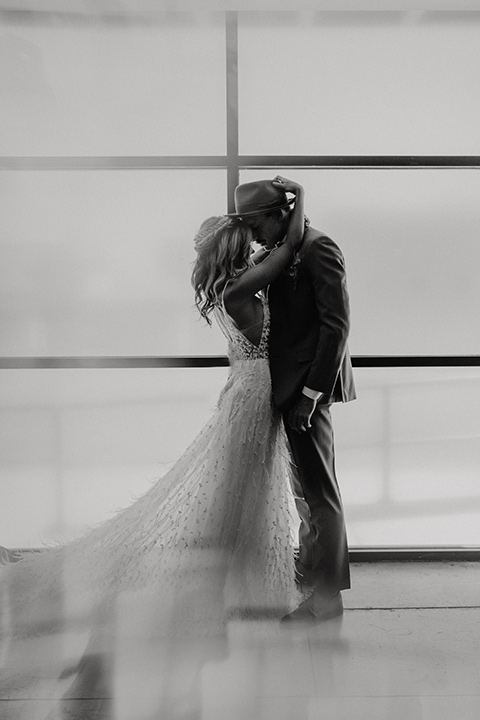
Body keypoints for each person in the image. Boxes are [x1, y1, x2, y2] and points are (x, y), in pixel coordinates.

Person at [0, 177, 307, 671]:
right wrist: (299, 194)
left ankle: (222, 591)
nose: (254, 243)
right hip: (254, 396)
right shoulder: (241, 287)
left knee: (236, 492)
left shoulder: (227, 286)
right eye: (246, 240)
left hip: (247, 392)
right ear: (234, 252)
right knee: (237, 494)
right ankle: (215, 593)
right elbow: (291, 243)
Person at [228, 177, 356, 623]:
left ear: (277, 214)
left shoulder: (318, 248)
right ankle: (310, 573)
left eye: (254, 223)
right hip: (288, 390)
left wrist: (310, 395)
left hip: (307, 393)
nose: (252, 235)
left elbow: (336, 327)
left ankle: (326, 600)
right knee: (305, 493)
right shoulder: (284, 250)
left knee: (320, 495)